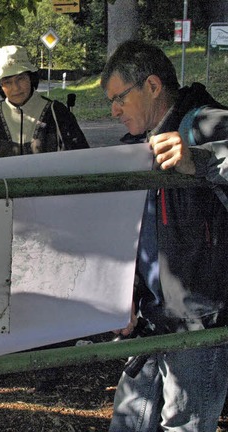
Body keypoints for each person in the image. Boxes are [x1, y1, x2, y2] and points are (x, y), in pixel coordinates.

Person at [101, 40, 228, 432]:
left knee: (185, 423)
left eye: (119, 98)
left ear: (152, 86)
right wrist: (127, 294)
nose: (113, 111)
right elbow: (137, 232)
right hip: (154, 313)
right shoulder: (138, 145)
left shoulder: (206, 123)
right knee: (128, 419)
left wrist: (201, 160)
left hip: (199, 315)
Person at [0, 45, 89, 160]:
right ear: (0, 86)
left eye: (21, 78)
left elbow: (80, 159)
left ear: (31, 78)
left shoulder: (56, 112)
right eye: (7, 82)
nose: (16, 88)